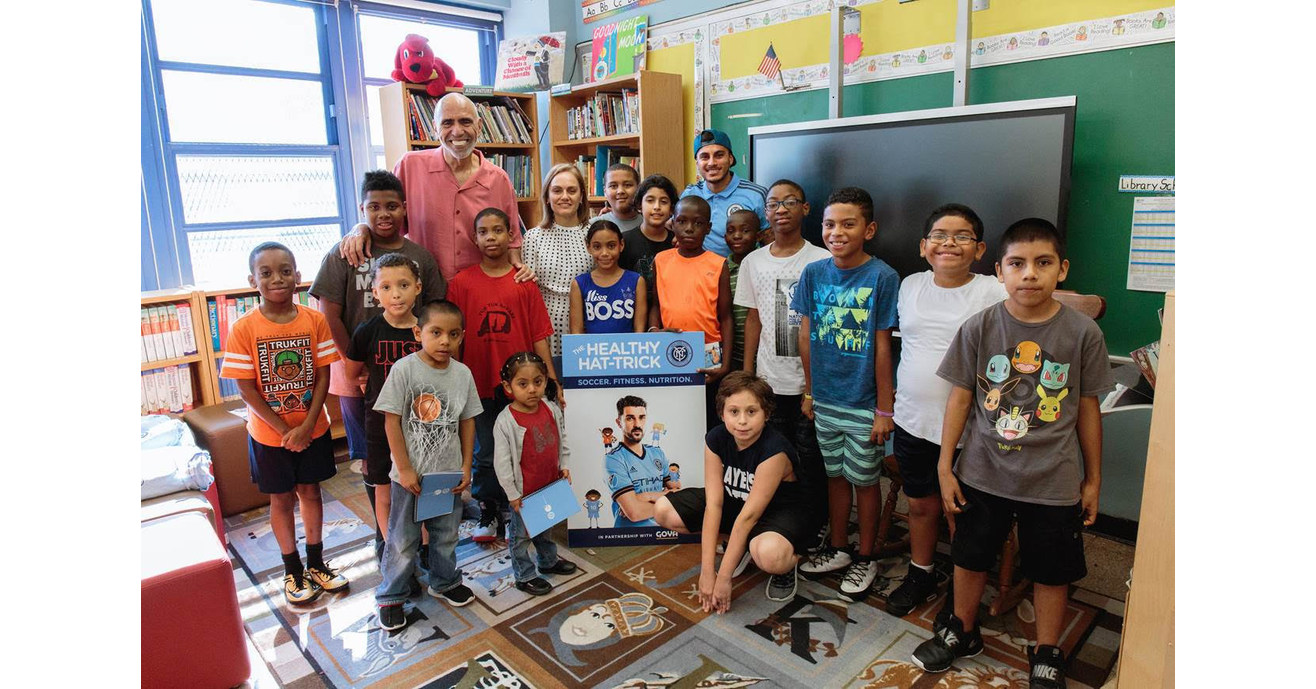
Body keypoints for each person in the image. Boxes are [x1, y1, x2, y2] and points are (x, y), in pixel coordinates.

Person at [911, 219, 1112, 689]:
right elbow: (960, 399)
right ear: (999, 271)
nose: (1029, 274)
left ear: (1061, 270)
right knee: (970, 555)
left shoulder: (1083, 334)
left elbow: (1087, 410)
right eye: (1017, 264)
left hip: (1054, 480)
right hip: (983, 472)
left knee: (1052, 567)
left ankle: (1047, 650)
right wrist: (945, 466)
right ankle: (962, 629)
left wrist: (1093, 480)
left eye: (1043, 263)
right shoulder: (979, 326)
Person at [313, 170, 443, 561]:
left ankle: (422, 536)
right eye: (374, 207)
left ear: (405, 208)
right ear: (362, 209)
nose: (383, 214)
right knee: (374, 460)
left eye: (391, 206)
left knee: (425, 454)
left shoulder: (420, 258)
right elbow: (329, 314)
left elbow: (435, 312)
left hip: (417, 381)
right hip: (361, 379)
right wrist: (355, 358)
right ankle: (385, 533)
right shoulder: (344, 254)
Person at [884, 204, 1006, 618]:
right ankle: (921, 571)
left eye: (962, 236)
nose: (949, 243)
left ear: (980, 248)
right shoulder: (910, 285)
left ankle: (962, 585)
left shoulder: (993, 291)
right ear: (923, 246)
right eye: (938, 235)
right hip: (912, 418)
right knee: (920, 504)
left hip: (970, 429)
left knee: (962, 515)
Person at [220, 242, 349, 606]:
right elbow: (245, 388)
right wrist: (283, 430)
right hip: (268, 436)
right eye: (266, 273)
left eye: (285, 270)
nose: (277, 278)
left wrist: (307, 426)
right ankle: (292, 570)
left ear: (298, 276)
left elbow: (324, 377)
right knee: (280, 499)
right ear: (252, 280)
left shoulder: (314, 320)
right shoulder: (243, 328)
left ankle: (317, 563)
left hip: (313, 430)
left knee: (311, 493)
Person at [791, 187, 899, 598]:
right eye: (830, 224)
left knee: (865, 481)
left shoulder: (882, 277)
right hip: (824, 399)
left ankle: (867, 556)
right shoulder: (814, 273)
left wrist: (883, 411)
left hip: (863, 403)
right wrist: (809, 393)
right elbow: (804, 336)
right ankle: (839, 548)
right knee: (835, 477)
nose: (837, 232)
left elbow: (884, 346)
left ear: (868, 229)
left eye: (848, 224)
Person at [447, 207, 562, 542]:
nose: (491, 238)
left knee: (534, 452)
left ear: (511, 235)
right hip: (480, 386)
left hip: (524, 388)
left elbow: (540, 335)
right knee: (485, 453)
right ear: (474, 237)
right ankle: (489, 510)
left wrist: (552, 382)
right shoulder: (462, 283)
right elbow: (453, 340)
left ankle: (536, 521)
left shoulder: (523, 283)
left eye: (498, 230)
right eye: (483, 231)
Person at [654, 372, 817, 608]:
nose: (742, 421)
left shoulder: (774, 451)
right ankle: (739, 546)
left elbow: (749, 516)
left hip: (777, 513)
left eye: (751, 412)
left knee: (769, 554)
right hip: (736, 503)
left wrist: (723, 578)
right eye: (734, 412)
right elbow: (714, 504)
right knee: (663, 510)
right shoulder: (716, 438)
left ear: (767, 414)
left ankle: (784, 565)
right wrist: (707, 571)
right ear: (722, 413)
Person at [338, 93, 531, 285]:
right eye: (447, 123)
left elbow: (512, 242)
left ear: (479, 126)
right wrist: (360, 227)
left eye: (465, 122)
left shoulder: (499, 179)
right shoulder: (409, 166)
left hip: (479, 290)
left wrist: (520, 272)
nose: (457, 132)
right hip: (423, 289)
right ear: (434, 127)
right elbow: (385, 215)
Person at [372, 300, 483, 630]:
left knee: (446, 534)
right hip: (411, 476)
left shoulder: (462, 374)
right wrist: (404, 468)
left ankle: (445, 581)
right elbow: (391, 422)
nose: (445, 341)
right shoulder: (404, 370)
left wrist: (466, 466)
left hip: (447, 474)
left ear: (462, 336)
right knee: (403, 540)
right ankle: (391, 596)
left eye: (453, 334)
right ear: (418, 332)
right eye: (436, 333)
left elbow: (467, 422)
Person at [735, 179, 832, 550]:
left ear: (805, 209)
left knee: (811, 460)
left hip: (810, 385)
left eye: (790, 202)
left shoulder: (822, 259)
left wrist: (814, 386)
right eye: (773, 203)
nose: (780, 209)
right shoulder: (753, 262)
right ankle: (777, 522)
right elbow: (754, 319)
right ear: (766, 212)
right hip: (768, 382)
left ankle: (813, 526)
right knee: (772, 458)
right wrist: (747, 378)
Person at [341, 253, 432, 564]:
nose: (396, 294)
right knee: (384, 489)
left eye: (404, 285)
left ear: (418, 288)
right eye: (387, 287)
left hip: (423, 425)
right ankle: (393, 548)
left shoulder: (426, 330)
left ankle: (424, 547)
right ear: (375, 292)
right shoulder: (367, 331)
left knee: (422, 486)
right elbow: (353, 375)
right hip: (379, 424)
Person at [491, 352, 580, 596]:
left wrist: (565, 464)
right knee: (521, 537)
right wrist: (512, 493)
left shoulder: (550, 408)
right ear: (508, 387)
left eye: (538, 382)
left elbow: (562, 440)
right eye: (523, 384)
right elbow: (502, 463)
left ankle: (548, 561)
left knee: (545, 527)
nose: (532, 389)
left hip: (548, 485)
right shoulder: (505, 422)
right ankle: (524, 575)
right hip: (524, 494)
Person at [649, 196, 732, 429]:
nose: (689, 228)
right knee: (673, 419)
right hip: (668, 350)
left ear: (708, 228)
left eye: (698, 223)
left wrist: (725, 365)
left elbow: (726, 317)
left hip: (708, 355)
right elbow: (655, 304)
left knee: (707, 420)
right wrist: (654, 330)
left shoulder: (718, 264)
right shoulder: (661, 260)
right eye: (682, 221)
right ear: (672, 223)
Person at [524, 163, 595, 357]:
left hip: (586, 324)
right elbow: (529, 291)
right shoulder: (533, 237)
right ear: (547, 197)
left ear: (581, 196)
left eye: (572, 190)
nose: (565, 197)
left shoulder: (594, 234)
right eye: (557, 190)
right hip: (544, 326)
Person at [680, 129, 768, 257]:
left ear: (730, 159)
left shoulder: (756, 195)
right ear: (697, 163)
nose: (712, 163)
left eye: (719, 155)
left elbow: (770, 240)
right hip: (700, 273)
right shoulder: (689, 195)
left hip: (744, 271)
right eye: (704, 157)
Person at [569, 220, 647, 334]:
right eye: (597, 247)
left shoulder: (636, 281)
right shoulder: (579, 284)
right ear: (588, 247)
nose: (604, 253)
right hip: (592, 351)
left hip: (628, 350)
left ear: (621, 245)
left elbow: (639, 333)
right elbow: (576, 334)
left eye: (611, 246)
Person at [605, 395, 672, 527]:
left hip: (661, 530)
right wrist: (668, 501)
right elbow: (634, 513)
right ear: (619, 422)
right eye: (630, 418)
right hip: (628, 537)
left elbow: (678, 492)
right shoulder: (613, 459)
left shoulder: (657, 453)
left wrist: (646, 496)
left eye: (641, 417)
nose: (637, 424)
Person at [620, 174, 678, 311]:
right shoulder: (625, 241)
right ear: (639, 205)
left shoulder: (677, 243)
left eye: (663, 202)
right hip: (632, 315)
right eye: (650, 201)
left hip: (668, 315)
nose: (657, 207)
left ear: (671, 209)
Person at [724, 208, 760, 372]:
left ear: (758, 236)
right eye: (731, 231)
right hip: (733, 354)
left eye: (745, 231)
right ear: (725, 238)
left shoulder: (762, 267)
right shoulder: (722, 269)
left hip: (763, 353)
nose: (737, 236)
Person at [594, 163, 643, 232]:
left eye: (627, 185)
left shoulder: (650, 224)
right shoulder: (592, 226)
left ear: (638, 188)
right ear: (605, 191)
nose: (620, 191)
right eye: (613, 186)